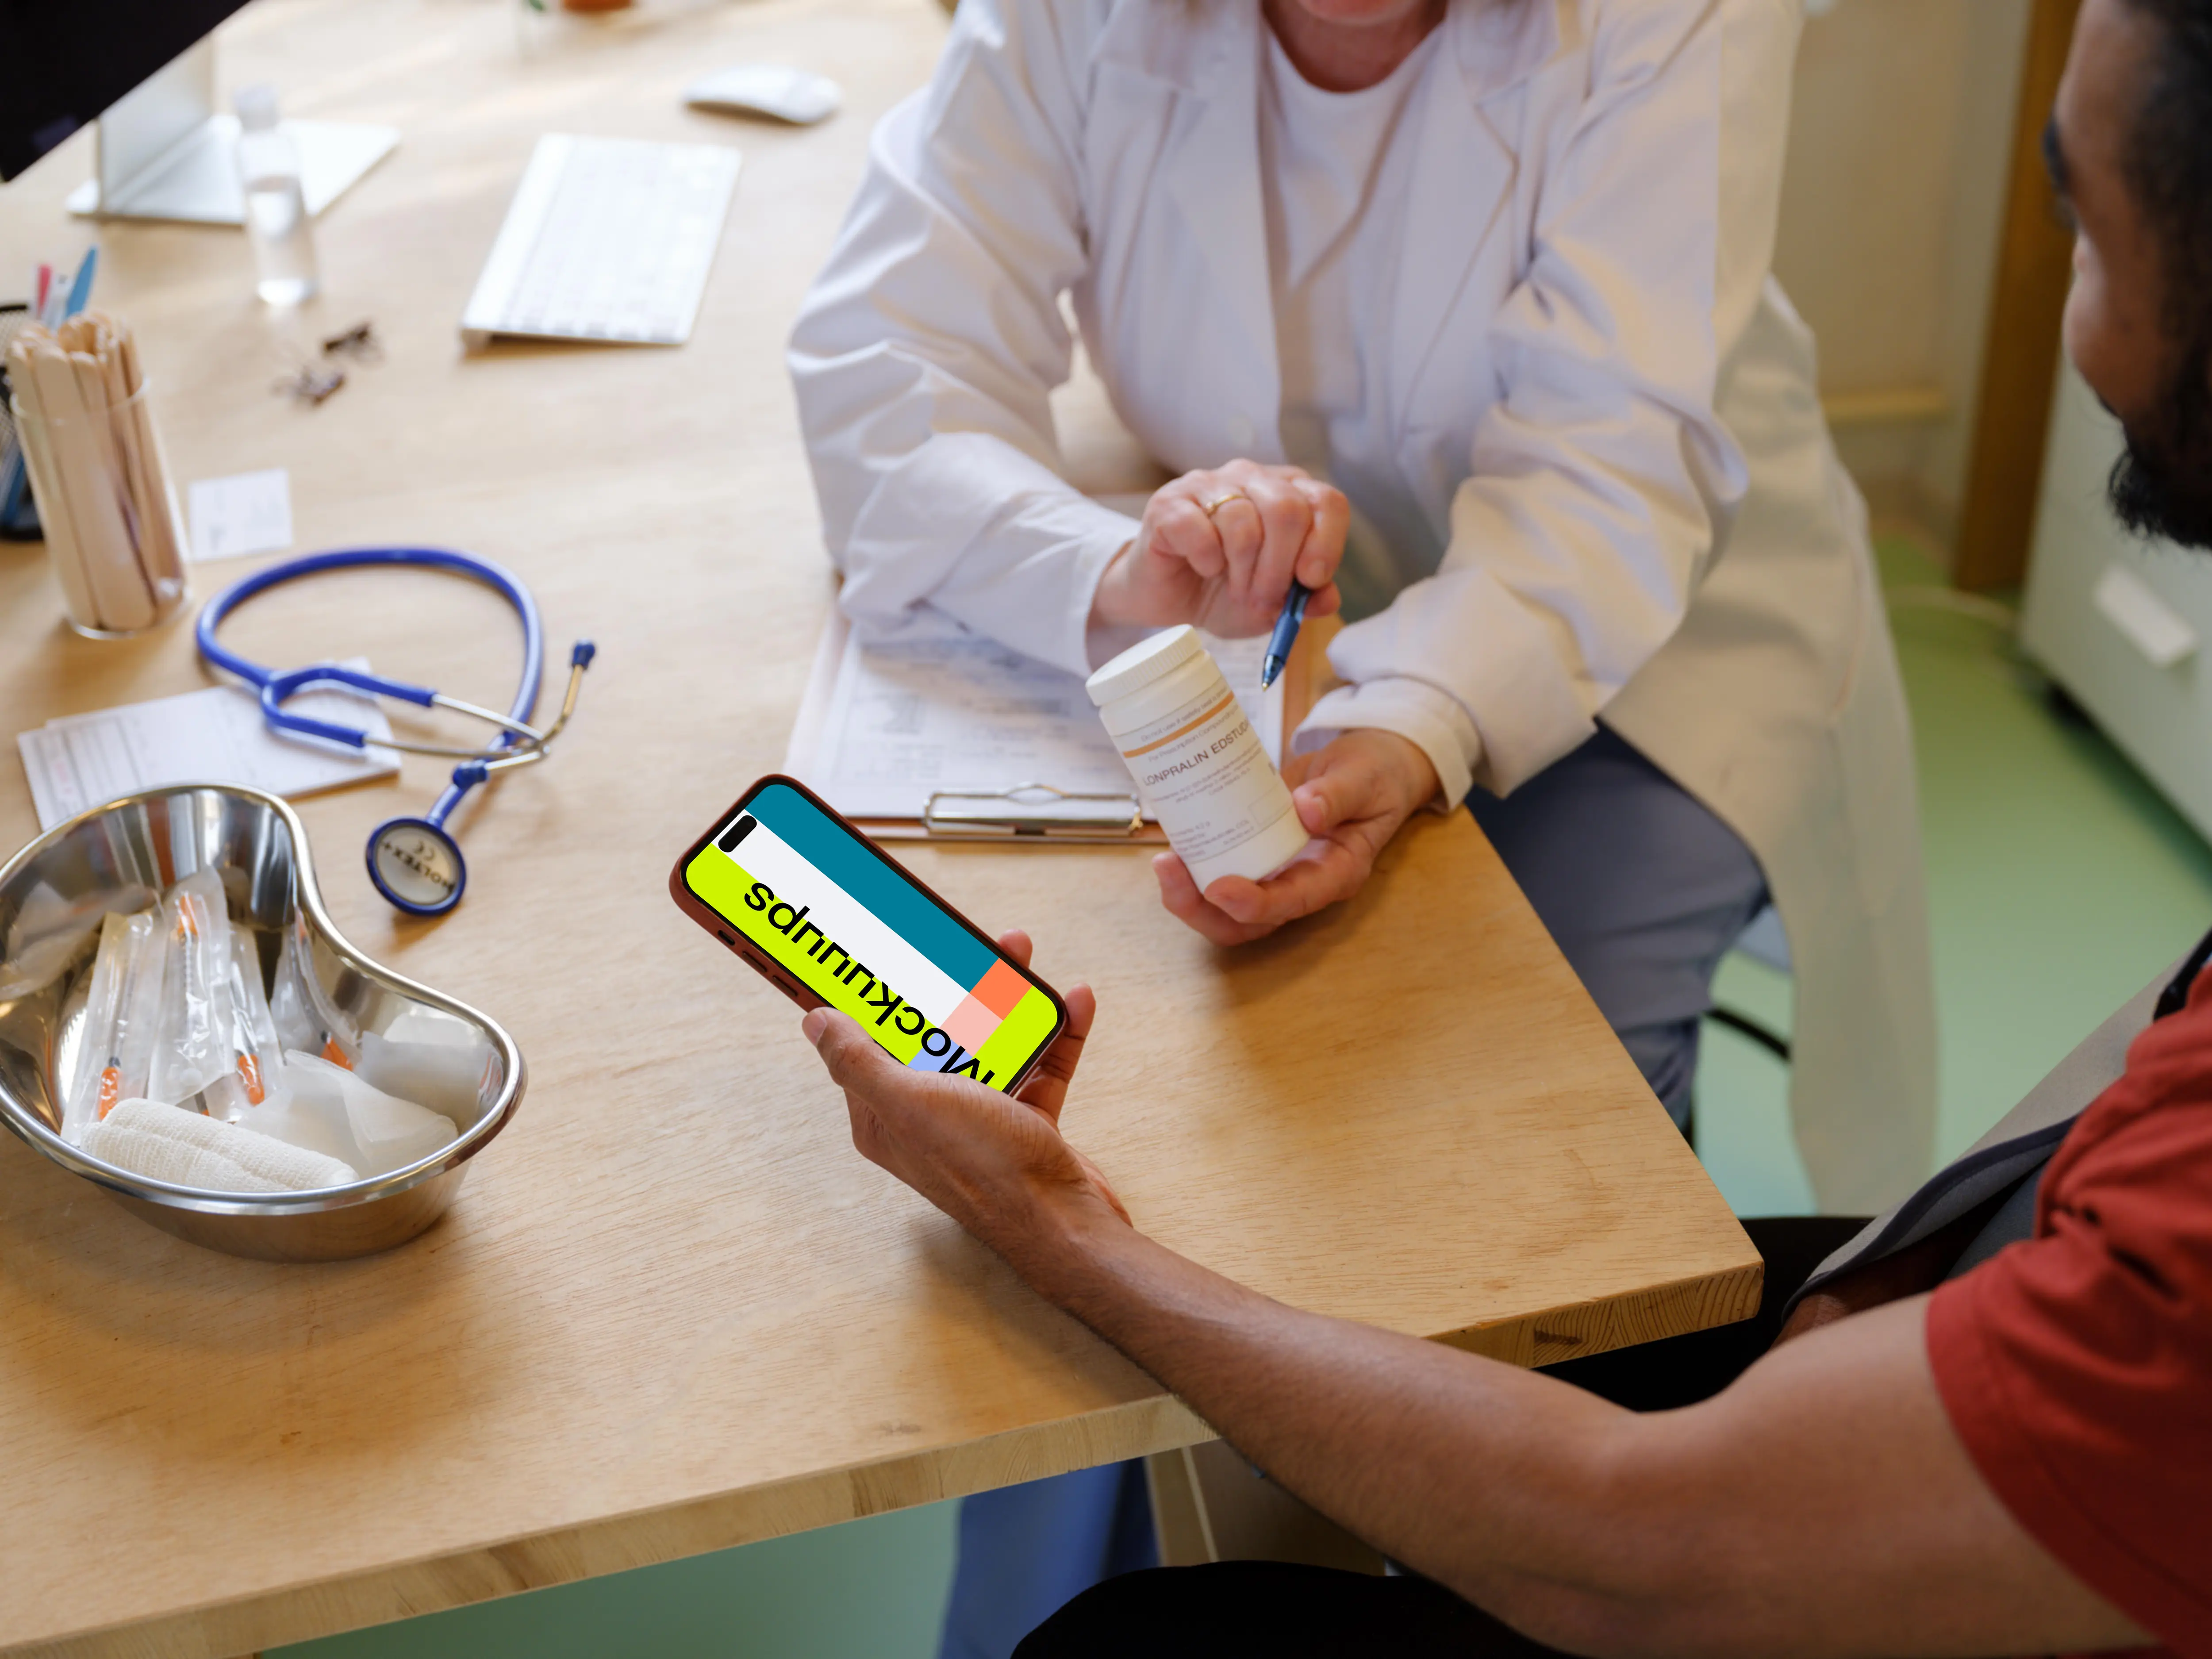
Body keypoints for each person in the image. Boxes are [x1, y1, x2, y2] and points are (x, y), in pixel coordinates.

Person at [789, 0, 2212, 1649]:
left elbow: (1658, 1542)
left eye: (2077, 229)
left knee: (1521, 1174)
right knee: (1172, 1107)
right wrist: (1111, 573)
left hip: (1639, 648)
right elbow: (886, 355)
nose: (2066, 318)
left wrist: (1063, 1236)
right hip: (1257, 633)